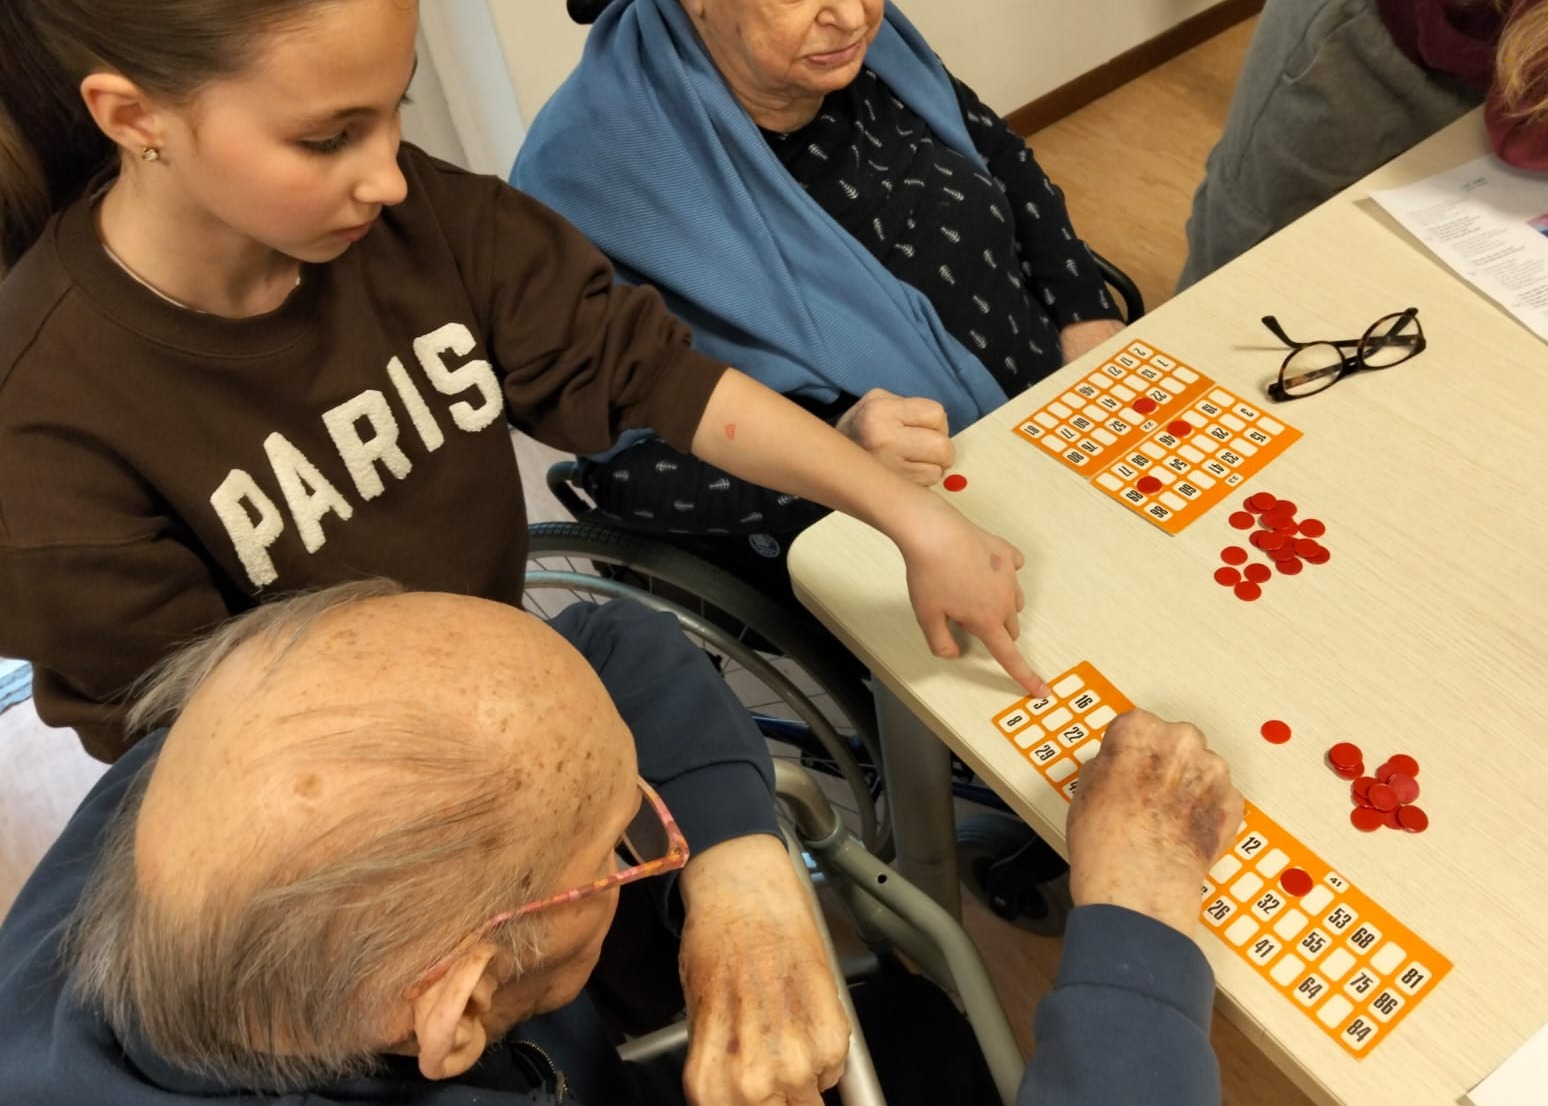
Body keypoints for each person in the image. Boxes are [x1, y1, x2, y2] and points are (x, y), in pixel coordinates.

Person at [0, 0, 1045, 765]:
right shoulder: (45, 428)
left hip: (511, 700)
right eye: (327, 139)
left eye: (395, 108)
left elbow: (656, 374)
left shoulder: (429, 222)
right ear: (132, 117)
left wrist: (910, 518)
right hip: (337, 790)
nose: (389, 177)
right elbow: (202, 746)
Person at [0, 582, 1242, 1106]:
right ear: (454, 1012)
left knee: (912, 1025)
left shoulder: (204, 773)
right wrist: (1136, 920)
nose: (658, 831)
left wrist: (743, 871)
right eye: (625, 839)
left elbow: (600, 641)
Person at [513, 0, 1126, 589]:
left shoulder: (867, 51)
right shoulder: (587, 172)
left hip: (1053, 422)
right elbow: (623, 475)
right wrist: (838, 456)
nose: (852, 17)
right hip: (880, 527)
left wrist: (1085, 317)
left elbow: (1000, 157)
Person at [1179, 0, 1548, 290]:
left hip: (1494, 49)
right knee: (1247, 250)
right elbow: (1519, 127)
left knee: (1404, 278)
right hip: (1378, 30)